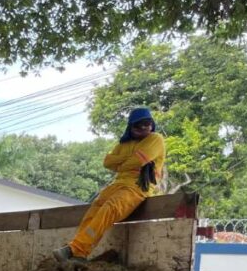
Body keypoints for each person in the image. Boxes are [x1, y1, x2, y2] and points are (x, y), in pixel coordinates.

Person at [54, 108, 165, 262]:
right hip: (118, 183)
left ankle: (76, 249)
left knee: (110, 208)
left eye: (147, 123)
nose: (144, 128)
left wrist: (123, 161)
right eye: (139, 125)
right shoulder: (125, 143)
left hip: (137, 187)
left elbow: (138, 161)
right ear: (131, 127)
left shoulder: (156, 139)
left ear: (152, 124)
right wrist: (130, 158)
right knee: (94, 210)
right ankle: (79, 253)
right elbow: (107, 162)